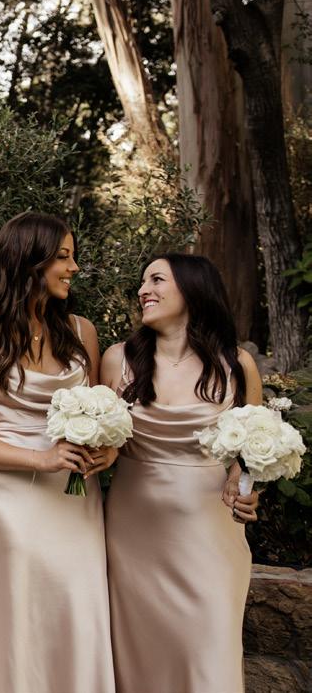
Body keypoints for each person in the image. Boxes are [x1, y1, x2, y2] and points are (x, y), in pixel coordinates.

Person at [0, 211, 116, 693]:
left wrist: (108, 452)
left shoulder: (81, 331)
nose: (74, 267)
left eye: (72, 256)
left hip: (75, 498)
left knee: (78, 611)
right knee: (20, 619)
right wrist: (41, 459)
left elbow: (101, 416)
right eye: (63, 256)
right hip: (10, 502)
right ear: (29, 260)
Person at [101, 254, 262, 693]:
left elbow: (250, 451)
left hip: (208, 531)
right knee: (142, 656)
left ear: (192, 289)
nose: (143, 290)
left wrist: (245, 487)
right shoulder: (119, 360)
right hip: (133, 532)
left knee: (208, 650)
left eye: (156, 280)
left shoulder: (236, 364)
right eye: (142, 282)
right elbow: (107, 445)